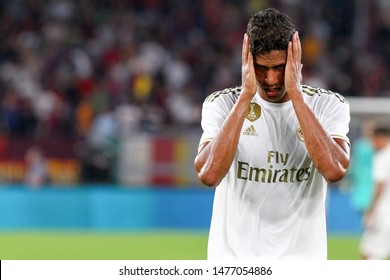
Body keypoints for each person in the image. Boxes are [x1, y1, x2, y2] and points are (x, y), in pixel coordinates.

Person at [194, 8, 350, 260]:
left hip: (301, 266)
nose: (271, 78)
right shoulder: (221, 104)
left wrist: (296, 94)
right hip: (234, 264)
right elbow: (209, 174)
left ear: (295, 60)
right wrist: (246, 95)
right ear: (246, 61)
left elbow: (335, 170)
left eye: (279, 67)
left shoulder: (328, 105)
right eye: (260, 67)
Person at [360, 124, 390, 260]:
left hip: (383, 213)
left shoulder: (382, 157)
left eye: (373, 140)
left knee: (370, 253)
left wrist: (371, 208)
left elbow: (380, 185)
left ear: (380, 138)